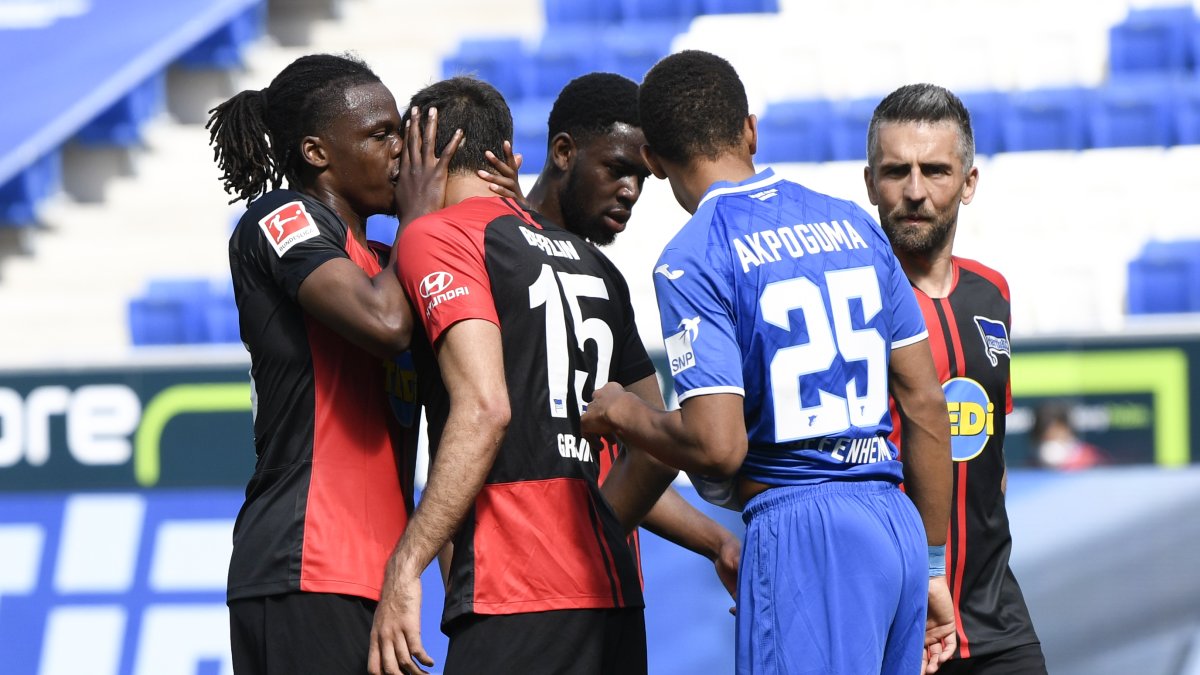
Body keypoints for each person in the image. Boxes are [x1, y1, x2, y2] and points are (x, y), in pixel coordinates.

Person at [581, 50, 957, 675]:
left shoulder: (694, 255)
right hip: (897, 526)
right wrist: (935, 564)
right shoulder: (855, 226)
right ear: (749, 130)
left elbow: (717, 444)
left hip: (804, 530)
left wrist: (621, 412)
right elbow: (924, 401)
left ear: (652, 157)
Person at [368, 75, 677, 675]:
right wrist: (592, 533)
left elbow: (486, 410)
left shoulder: (441, 235)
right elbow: (661, 446)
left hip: (516, 591)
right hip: (611, 595)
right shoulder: (596, 262)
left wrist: (403, 569)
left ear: (419, 151)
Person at [206, 52, 461, 674]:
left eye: (399, 130)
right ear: (318, 152)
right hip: (306, 561)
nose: (400, 150)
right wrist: (422, 219)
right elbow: (385, 325)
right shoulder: (280, 217)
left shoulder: (386, 260)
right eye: (379, 135)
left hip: (380, 576)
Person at [481, 71, 741, 600]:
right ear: (563, 151)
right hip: (513, 593)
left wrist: (719, 543)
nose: (633, 191)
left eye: (643, 177)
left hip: (592, 589)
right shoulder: (484, 250)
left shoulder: (605, 279)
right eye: (618, 170)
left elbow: (650, 450)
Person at [864, 82, 1048, 674]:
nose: (915, 191)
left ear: (968, 183)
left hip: (998, 620)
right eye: (896, 171)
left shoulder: (992, 292)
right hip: (895, 626)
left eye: (936, 170)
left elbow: (987, 455)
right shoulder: (853, 303)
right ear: (870, 183)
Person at [1030, 400, 1107, 470]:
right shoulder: (1031, 466)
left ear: (1068, 431)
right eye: (1048, 436)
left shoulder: (1090, 458)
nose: (1054, 438)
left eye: (1058, 433)